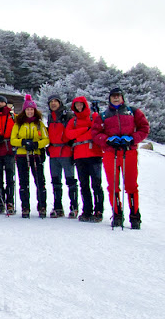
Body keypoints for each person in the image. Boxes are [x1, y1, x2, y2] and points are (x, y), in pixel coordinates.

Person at [92, 88, 149, 229]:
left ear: (122, 97)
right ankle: (117, 213)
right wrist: (107, 140)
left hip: (128, 151)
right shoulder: (103, 115)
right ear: (109, 98)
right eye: (113, 96)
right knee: (113, 185)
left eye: (118, 96)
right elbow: (95, 133)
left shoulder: (132, 111)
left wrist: (132, 139)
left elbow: (144, 128)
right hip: (111, 152)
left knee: (131, 184)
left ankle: (135, 215)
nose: (116, 98)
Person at [65, 97, 104, 222]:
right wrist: (85, 129)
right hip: (79, 156)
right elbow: (68, 134)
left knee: (96, 184)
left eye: (81, 104)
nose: (79, 107)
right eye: (76, 105)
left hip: (94, 154)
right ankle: (87, 210)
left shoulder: (94, 117)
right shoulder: (73, 120)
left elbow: (96, 131)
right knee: (84, 185)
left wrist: (80, 133)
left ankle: (98, 210)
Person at [10, 94, 50, 218]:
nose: (30, 111)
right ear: (24, 110)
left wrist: (37, 144)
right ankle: (25, 207)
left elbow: (46, 139)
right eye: (28, 109)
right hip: (22, 155)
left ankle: (42, 205)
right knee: (24, 182)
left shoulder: (39, 124)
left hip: (36, 155)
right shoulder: (18, 124)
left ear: (35, 110)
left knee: (39, 181)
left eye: (32, 109)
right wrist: (22, 142)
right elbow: (13, 140)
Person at [46, 94, 78, 218]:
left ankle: (74, 206)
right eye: (51, 102)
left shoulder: (68, 115)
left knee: (70, 180)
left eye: (55, 101)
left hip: (66, 150)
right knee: (55, 181)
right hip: (54, 151)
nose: (53, 104)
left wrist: (72, 144)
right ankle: (58, 206)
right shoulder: (50, 117)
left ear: (60, 103)